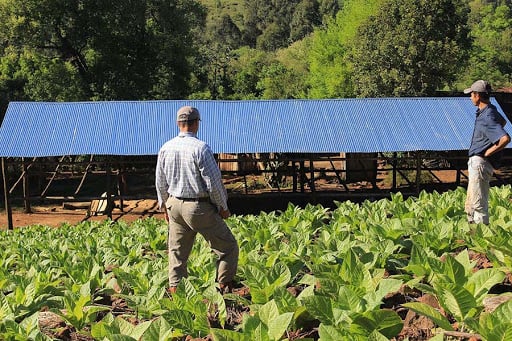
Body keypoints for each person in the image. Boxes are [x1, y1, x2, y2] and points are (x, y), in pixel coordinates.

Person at [155, 105, 239, 294]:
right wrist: (223, 207)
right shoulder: (201, 148)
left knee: (177, 253)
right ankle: (224, 288)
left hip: (174, 205)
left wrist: (164, 207)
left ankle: (177, 295)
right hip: (197, 207)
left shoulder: (166, 147)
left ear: (178, 123)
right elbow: (214, 183)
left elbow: (160, 181)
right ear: (196, 124)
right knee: (227, 247)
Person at [463, 80, 510, 225]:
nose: (470, 97)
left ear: (477, 95)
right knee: (471, 202)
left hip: (480, 162)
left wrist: (488, 151)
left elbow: (505, 138)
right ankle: (473, 236)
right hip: (478, 162)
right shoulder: (490, 111)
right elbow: (503, 122)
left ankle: (481, 236)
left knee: (478, 203)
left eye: (471, 94)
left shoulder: (487, 116)